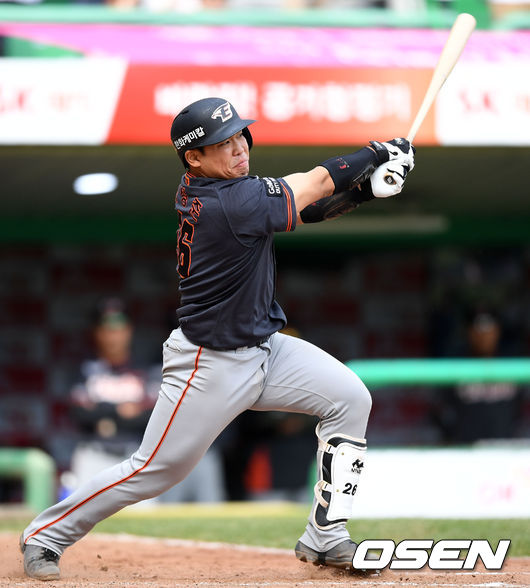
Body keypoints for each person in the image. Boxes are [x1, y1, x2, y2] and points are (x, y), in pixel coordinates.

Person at [20, 97, 415, 580]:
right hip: (210, 364)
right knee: (153, 470)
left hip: (268, 349)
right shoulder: (227, 202)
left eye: (240, 136)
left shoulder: (224, 190)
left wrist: (366, 191)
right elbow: (315, 182)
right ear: (194, 157)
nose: (239, 148)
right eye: (223, 143)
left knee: (350, 398)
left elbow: (307, 209)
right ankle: (46, 535)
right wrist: (376, 152)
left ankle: (326, 535)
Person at [64, 298, 160, 492]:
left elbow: (153, 416)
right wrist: (122, 410)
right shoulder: (85, 369)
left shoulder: (145, 369)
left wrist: (103, 413)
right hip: (93, 453)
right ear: (97, 332)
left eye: (118, 328)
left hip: (137, 454)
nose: (113, 336)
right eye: (107, 329)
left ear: (129, 330)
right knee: (85, 509)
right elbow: (79, 413)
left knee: (144, 512)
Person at [434, 308, 522, 444]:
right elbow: (441, 410)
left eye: (489, 330)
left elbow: (518, 410)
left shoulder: (511, 365)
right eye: (479, 330)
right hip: (467, 449)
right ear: (469, 333)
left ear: (497, 331)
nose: (484, 336)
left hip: (504, 448)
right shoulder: (455, 367)